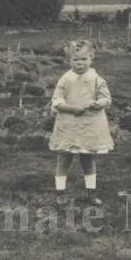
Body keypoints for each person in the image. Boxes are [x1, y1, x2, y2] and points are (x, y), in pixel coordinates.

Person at [48, 40, 114, 206]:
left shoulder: (96, 79)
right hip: (68, 124)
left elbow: (106, 98)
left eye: (83, 59)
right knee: (64, 158)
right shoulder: (66, 79)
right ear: (69, 61)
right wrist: (71, 108)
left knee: (87, 158)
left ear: (91, 59)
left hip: (88, 125)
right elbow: (56, 100)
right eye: (75, 60)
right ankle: (60, 193)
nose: (79, 63)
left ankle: (91, 193)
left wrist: (100, 103)